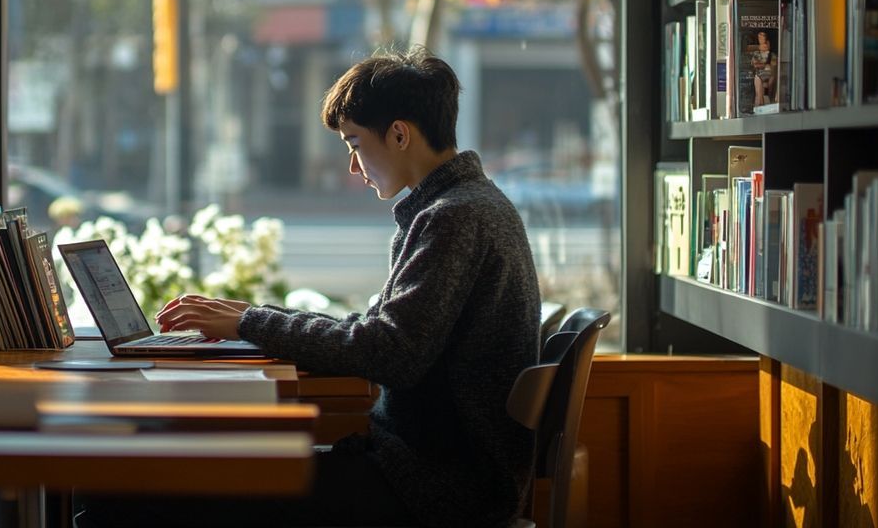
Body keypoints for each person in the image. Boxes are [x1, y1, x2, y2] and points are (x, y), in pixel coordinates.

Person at [79, 47, 540, 528]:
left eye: (355, 144)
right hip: (429, 475)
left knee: (131, 493)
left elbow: (391, 352)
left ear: (399, 134)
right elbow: (376, 332)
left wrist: (249, 321)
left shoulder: (454, 218)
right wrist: (250, 316)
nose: (353, 167)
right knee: (161, 480)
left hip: (433, 488)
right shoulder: (463, 206)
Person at [751, 29, 776, 108]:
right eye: (759, 37)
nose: (760, 39)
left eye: (762, 37)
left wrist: (762, 64)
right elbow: (755, 64)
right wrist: (765, 65)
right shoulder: (756, 53)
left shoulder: (772, 54)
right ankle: (760, 104)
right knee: (758, 80)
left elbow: (773, 65)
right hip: (759, 74)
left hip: (770, 75)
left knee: (771, 80)